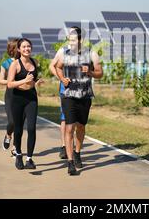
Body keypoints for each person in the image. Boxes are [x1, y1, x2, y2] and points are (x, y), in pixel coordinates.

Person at [55, 27, 103, 175]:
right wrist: (62, 79)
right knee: (69, 128)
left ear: (81, 40)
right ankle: (70, 163)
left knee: (80, 127)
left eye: (74, 39)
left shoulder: (91, 54)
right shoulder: (65, 53)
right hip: (69, 96)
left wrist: (89, 72)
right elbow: (57, 67)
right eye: (70, 39)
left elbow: (100, 73)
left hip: (85, 96)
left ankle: (77, 153)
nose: (71, 42)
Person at [7, 38, 44, 170]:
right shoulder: (15, 64)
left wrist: (36, 82)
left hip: (31, 98)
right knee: (18, 129)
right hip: (18, 99)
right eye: (23, 47)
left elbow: (32, 82)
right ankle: (18, 155)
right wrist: (24, 80)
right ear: (18, 49)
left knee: (32, 128)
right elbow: (10, 84)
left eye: (28, 46)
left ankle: (29, 159)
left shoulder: (35, 62)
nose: (26, 49)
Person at [49, 27, 77, 160]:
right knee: (65, 119)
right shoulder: (62, 50)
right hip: (65, 89)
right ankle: (64, 146)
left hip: (81, 91)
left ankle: (75, 148)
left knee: (77, 121)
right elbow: (52, 66)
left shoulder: (85, 52)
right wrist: (62, 79)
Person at [0, 38, 18, 157]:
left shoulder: (25, 62)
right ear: (12, 49)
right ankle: (8, 135)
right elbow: (1, 80)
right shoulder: (6, 63)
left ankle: (16, 148)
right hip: (10, 95)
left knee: (19, 123)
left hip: (23, 96)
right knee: (12, 121)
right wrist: (13, 81)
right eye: (18, 47)